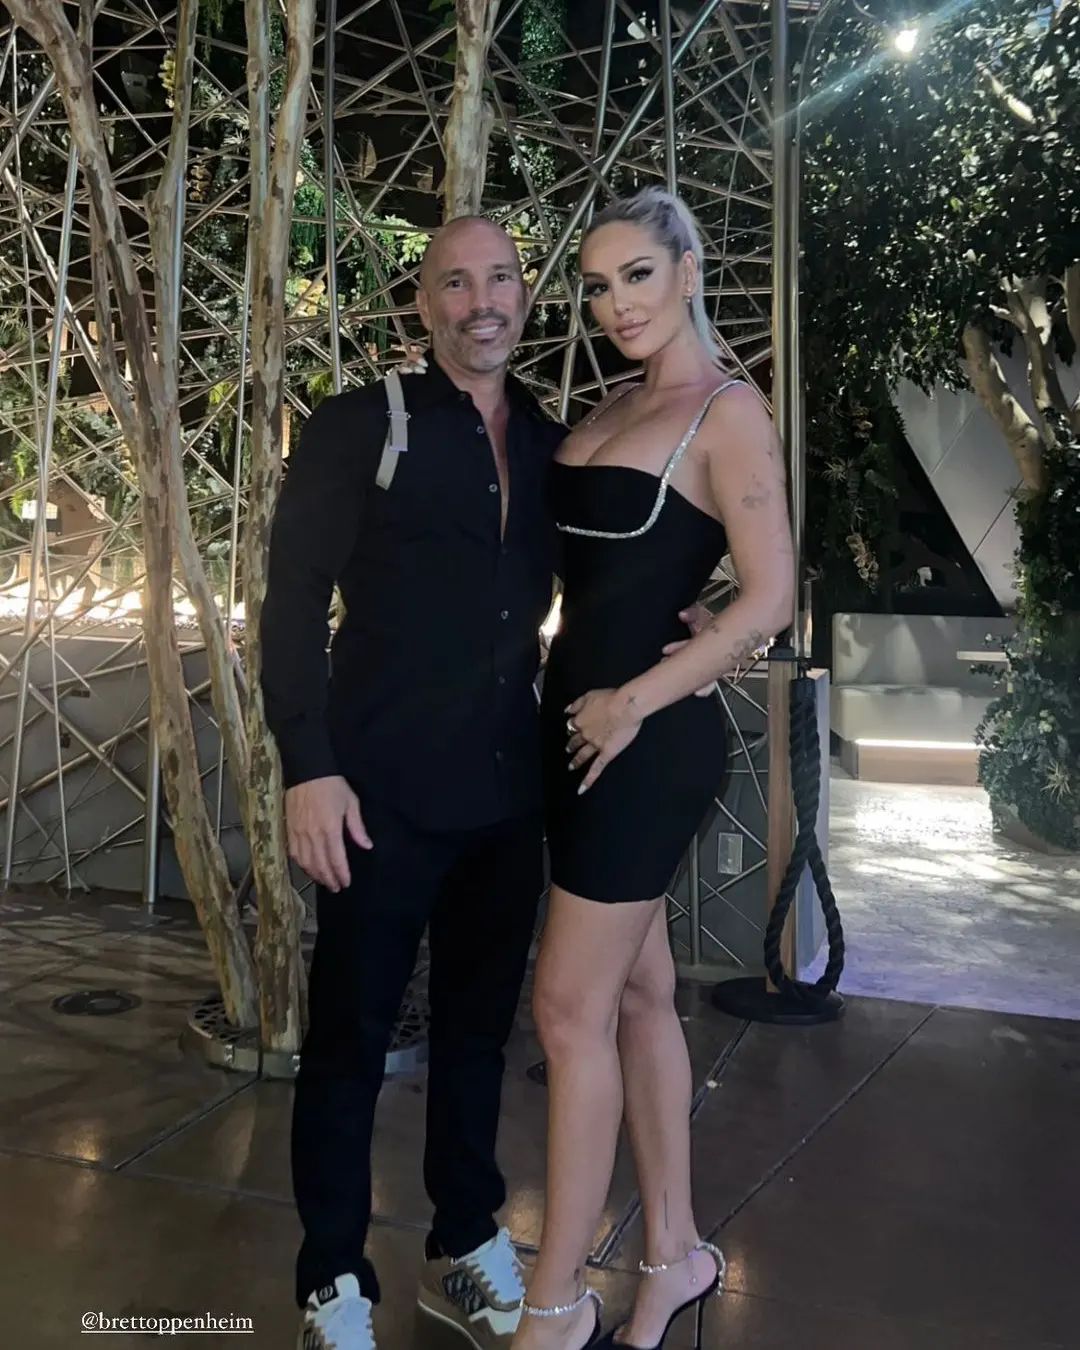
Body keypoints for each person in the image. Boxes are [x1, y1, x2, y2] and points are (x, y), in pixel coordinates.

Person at [260, 216, 565, 1350]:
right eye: (456, 283)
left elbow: (599, 578)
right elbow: (291, 602)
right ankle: (332, 1280)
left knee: (479, 1038)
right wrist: (310, 768)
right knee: (348, 1039)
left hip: (507, 793)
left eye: (500, 279)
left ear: (523, 294)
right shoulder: (362, 424)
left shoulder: (549, 440)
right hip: (376, 794)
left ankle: (464, 1241)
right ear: (425, 303)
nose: (482, 302)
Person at [512, 187, 795, 1350]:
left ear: (688, 271)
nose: (616, 302)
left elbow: (770, 597)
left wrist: (634, 699)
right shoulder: (610, 407)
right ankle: (671, 1255)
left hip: (645, 743)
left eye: (637, 274)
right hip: (570, 729)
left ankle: (554, 1304)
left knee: (565, 1007)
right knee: (633, 997)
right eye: (597, 284)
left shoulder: (728, 411)